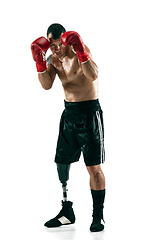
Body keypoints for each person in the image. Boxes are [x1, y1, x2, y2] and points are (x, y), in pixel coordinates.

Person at [31, 23, 106, 232]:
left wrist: (81, 51)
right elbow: (46, 85)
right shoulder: (52, 58)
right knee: (61, 163)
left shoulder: (78, 50)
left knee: (93, 167)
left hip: (89, 112)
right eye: (50, 45)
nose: (54, 49)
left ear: (64, 40)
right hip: (69, 115)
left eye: (57, 44)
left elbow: (93, 75)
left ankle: (98, 217)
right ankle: (67, 212)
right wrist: (39, 61)